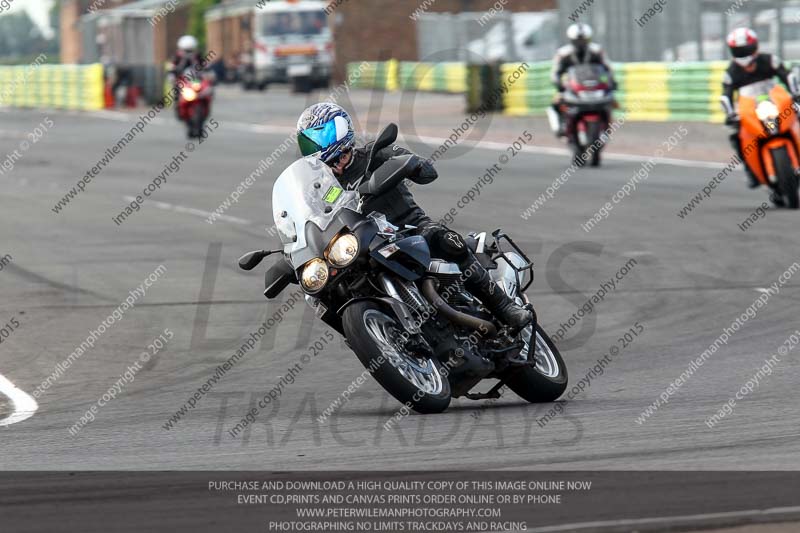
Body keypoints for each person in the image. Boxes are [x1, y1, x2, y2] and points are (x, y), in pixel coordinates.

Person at [295, 103, 535, 334]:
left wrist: (413, 165)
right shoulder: (319, 187)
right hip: (361, 245)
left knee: (444, 239)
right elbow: (309, 220)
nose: (315, 146)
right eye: (309, 141)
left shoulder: (373, 154)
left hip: (408, 228)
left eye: (321, 136)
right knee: (325, 291)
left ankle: (504, 307)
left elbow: (427, 171)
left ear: (341, 129)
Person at [721, 27, 800, 189]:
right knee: (737, 136)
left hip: (774, 101)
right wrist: (730, 114)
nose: (743, 53)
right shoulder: (731, 72)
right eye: (739, 50)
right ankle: (750, 172)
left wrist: (795, 93)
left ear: (755, 46)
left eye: (746, 49)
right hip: (750, 108)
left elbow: (786, 75)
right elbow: (726, 94)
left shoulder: (769, 60)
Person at [549, 23, 616, 138]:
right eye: (578, 40)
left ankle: (607, 126)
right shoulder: (563, 54)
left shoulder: (597, 51)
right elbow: (555, 72)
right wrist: (559, 84)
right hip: (571, 87)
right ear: (571, 40)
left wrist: (611, 81)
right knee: (556, 103)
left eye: (584, 40)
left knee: (611, 100)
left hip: (594, 86)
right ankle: (561, 126)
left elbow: (608, 68)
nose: (581, 43)